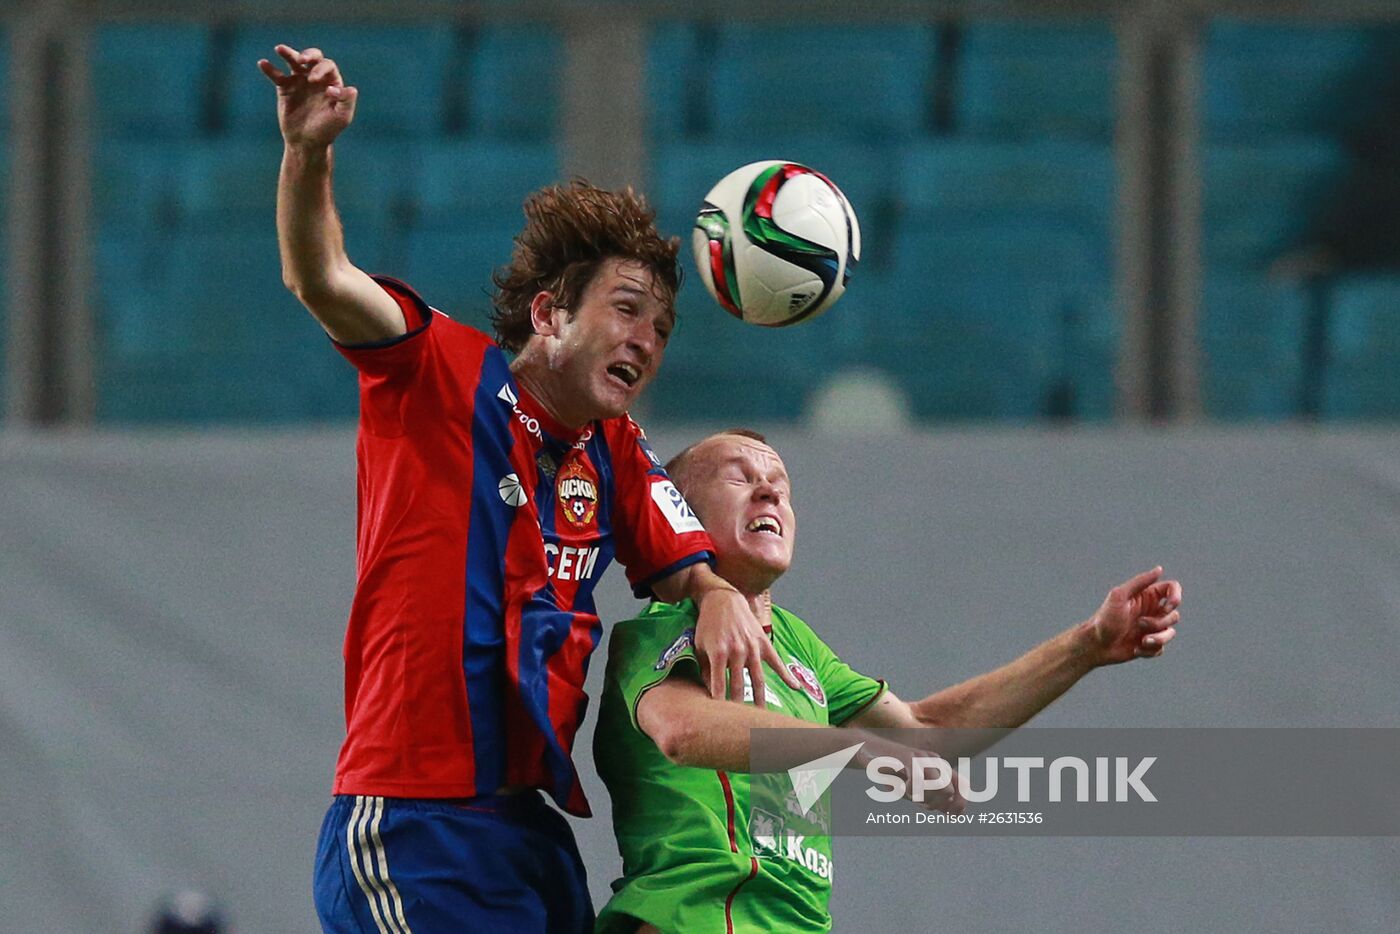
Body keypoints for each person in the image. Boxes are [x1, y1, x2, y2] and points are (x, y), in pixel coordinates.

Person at [256, 45, 799, 934]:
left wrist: (713, 594)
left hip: (529, 832)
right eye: (625, 309)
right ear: (550, 314)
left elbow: (684, 567)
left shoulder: (614, 449)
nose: (647, 339)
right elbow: (320, 279)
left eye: (661, 325)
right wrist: (308, 153)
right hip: (412, 821)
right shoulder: (437, 371)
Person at [593, 429, 1184, 933]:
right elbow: (683, 732)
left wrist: (1087, 646)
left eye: (780, 481)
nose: (770, 488)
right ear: (681, 518)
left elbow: (927, 733)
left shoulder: (799, 648)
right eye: (738, 477)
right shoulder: (661, 629)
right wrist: (866, 753)